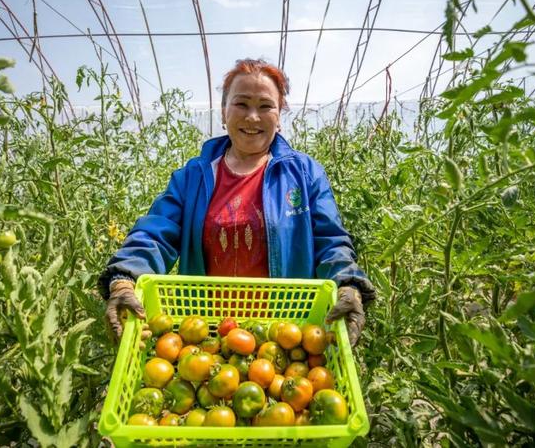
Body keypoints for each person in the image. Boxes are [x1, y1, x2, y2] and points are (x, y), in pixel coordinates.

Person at [99, 58, 375, 347]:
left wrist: (349, 285)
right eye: (241, 104)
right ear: (224, 111)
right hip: (206, 336)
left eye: (265, 106)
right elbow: (155, 233)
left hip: (287, 337)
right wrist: (123, 278)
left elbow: (329, 240)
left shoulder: (305, 175)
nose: (252, 117)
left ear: (279, 115)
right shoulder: (194, 176)